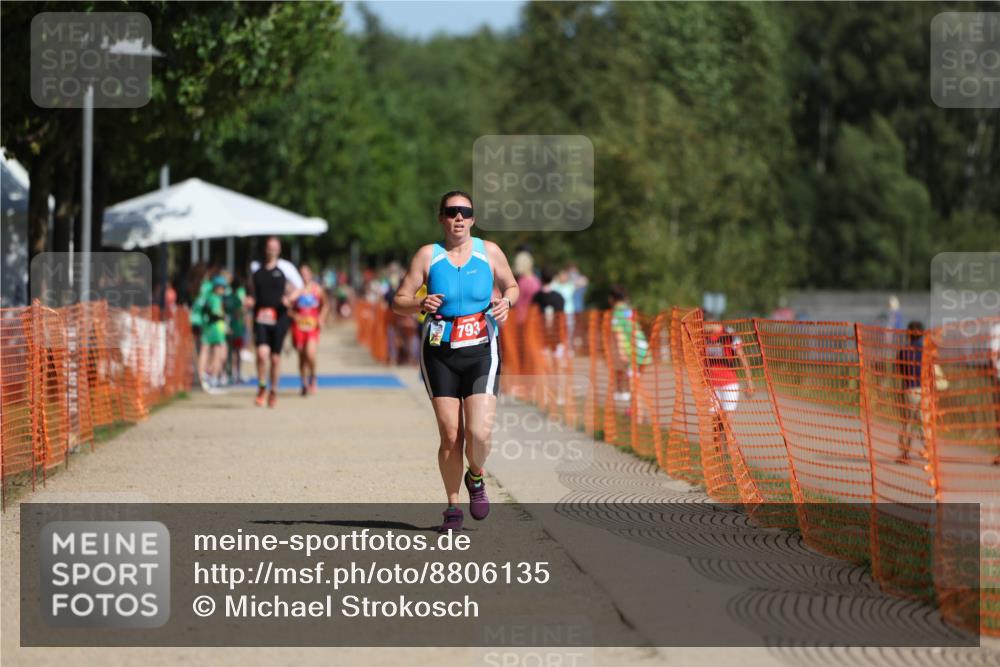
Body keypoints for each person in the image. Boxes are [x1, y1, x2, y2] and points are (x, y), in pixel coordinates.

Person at [392, 190, 518, 532]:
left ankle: (475, 476)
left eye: (464, 211)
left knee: (479, 432)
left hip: (482, 349)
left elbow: (512, 286)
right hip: (439, 351)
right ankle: (452, 507)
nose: (458, 217)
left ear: (473, 219)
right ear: (441, 218)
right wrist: (419, 303)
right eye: (451, 212)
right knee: (450, 435)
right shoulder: (427, 255)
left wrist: (507, 301)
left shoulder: (488, 251)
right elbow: (399, 300)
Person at [247, 237, 301, 408]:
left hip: (280, 317)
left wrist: (289, 299)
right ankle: (262, 386)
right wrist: (249, 300)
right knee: (262, 354)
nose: (272, 250)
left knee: (275, 358)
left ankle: (274, 391)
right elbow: (251, 291)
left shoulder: (286, 267)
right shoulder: (256, 269)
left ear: (279, 250)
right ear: (265, 249)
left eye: (275, 247)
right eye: (270, 247)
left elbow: (300, 287)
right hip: (261, 316)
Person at [703, 321, 755, 460]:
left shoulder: (728, 334)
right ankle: (719, 456)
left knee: (727, 422)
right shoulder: (702, 335)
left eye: (704, 323)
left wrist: (749, 381)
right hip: (711, 384)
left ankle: (732, 457)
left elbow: (742, 358)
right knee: (716, 422)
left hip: (729, 383)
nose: (703, 326)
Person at [291, 264, 328, 395]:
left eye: (306, 274)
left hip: (312, 327)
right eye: (302, 274)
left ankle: (313, 376)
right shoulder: (295, 290)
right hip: (298, 327)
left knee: (310, 354)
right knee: (301, 356)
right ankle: (304, 383)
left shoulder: (317, 289)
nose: (304, 276)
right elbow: (288, 307)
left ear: (311, 275)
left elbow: (325, 305)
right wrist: (294, 315)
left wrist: (321, 318)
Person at [200, 275, 230, 392]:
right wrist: (223, 318)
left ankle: (212, 376)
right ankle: (212, 378)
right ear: (217, 287)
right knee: (218, 353)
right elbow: (215, 313)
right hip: (215, 330)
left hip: (216, 329)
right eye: (222, 288)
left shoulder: (212, 297)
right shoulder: (215, 298)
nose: (223, 290)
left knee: (216, 353)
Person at [226, 275, 248, 385]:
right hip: (237, 328)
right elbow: (239, 313)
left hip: (228, 328)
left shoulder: (226, 298)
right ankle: (236, 374)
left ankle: (229, 374)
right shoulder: (237, 300)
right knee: (237, 352)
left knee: (229, 352)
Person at [512, 247, 540, 325]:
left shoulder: (521, 282)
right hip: (534, 318)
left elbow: (517, 302)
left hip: (521, 319)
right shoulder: (536, 280)